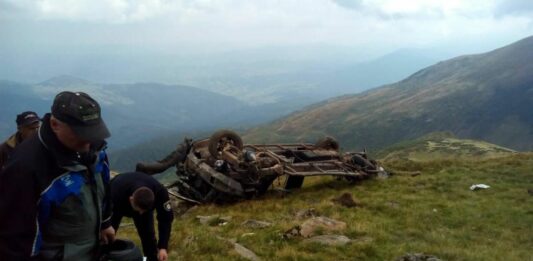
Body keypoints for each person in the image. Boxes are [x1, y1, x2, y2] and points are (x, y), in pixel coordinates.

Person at [0, 91, 115, 261]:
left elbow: (102, 184)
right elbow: (16, 239)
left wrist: (105, 222)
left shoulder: (94, 147)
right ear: (55, 124)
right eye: (81, 133)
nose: (89, 141)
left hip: (91, 249)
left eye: (94, 131)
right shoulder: (26, 167)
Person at [110, 172, 174, 261]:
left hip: (142, 202)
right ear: (131, 199)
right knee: (108, 235)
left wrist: (163, 247)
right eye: (139, 210)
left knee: (148, 237)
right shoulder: (116, 190)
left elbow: (166, 219)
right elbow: (105, 212)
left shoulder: (160, 193)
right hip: (117, 203)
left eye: (143, 211)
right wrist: (107, 226)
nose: (140, 213)